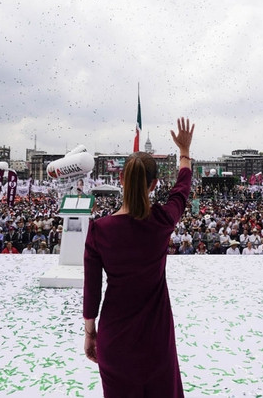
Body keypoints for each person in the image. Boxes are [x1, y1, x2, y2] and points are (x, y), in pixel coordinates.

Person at [83, 117, 194, 398]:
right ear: (154, 184)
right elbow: (181, 189)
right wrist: (184, 152)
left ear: (120, 179)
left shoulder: (99, 230)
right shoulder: (162, 220)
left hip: (115, 338)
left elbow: (91, 290)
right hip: (155, 339)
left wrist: (90, 332)